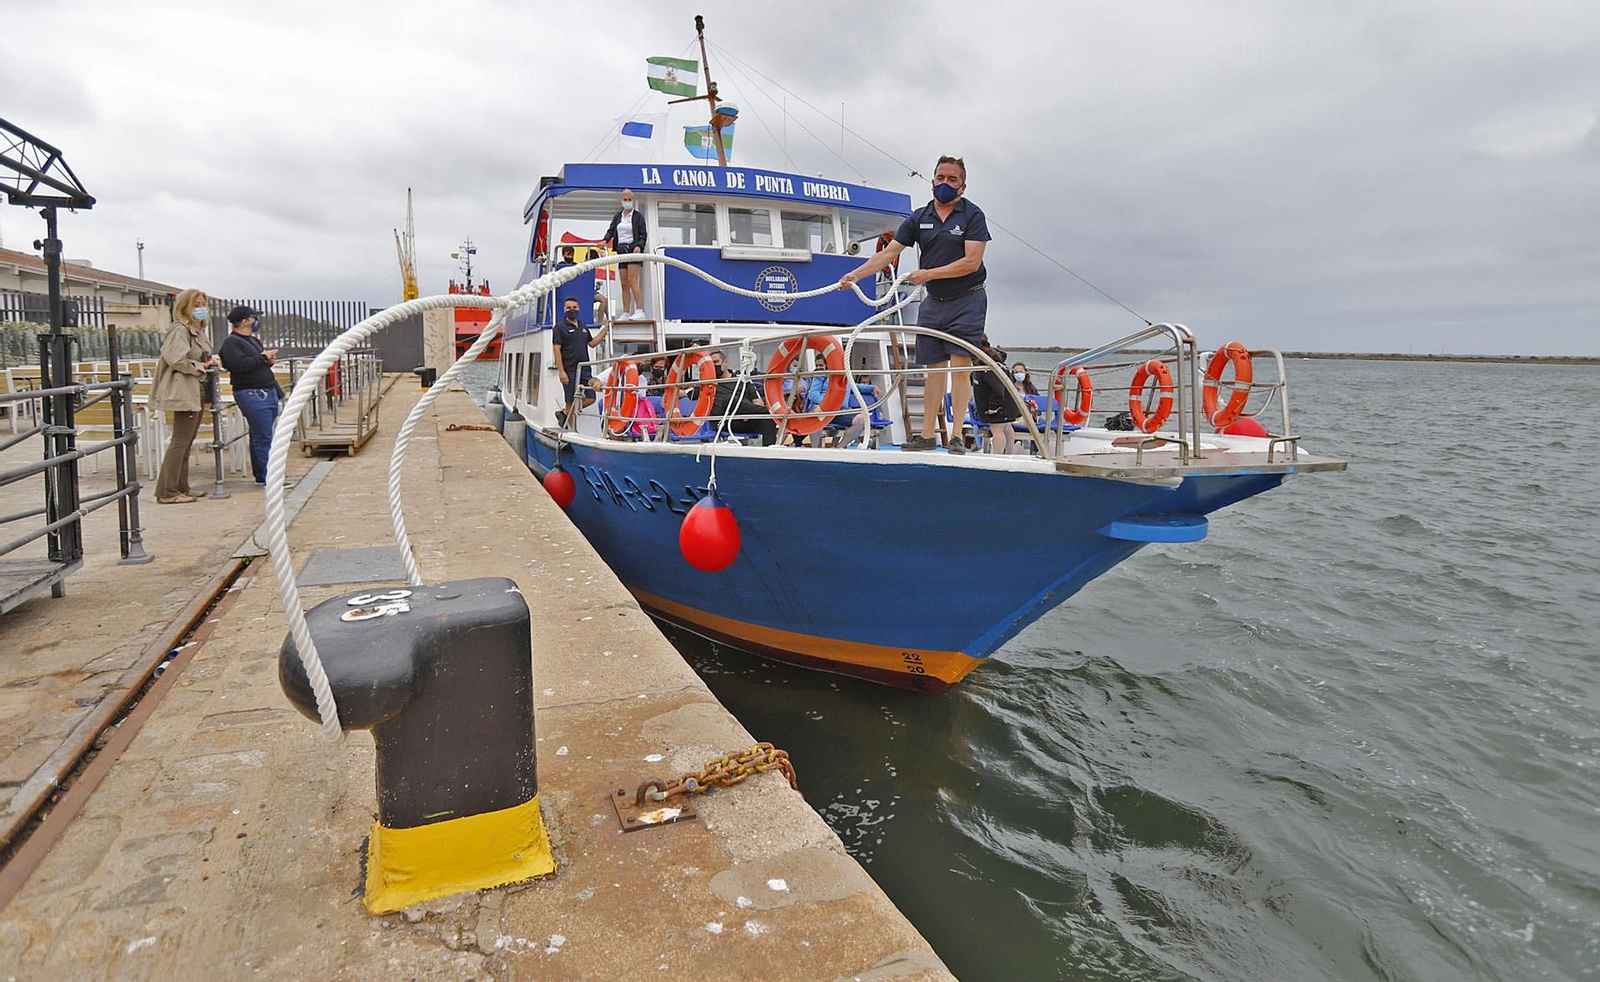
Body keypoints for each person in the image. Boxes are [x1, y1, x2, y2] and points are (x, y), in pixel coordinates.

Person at [840, 155, 990, 454]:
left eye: (952, 179)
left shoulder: (972, 216)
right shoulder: (920, 217)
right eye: (940, 178)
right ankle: (926, 435)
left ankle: (957, 434)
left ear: (962, 186)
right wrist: (856, 274)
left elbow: (971, 262)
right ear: (932, 180)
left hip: (967, 299)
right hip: (934, 301)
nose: (945, 183)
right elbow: (889, 252)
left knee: (960, 366)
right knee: (933, 368)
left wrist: (927, 274)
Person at [151, 288, 218, 503]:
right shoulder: (180, 330)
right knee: (180, 440)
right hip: (184, 390)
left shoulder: (198, 330)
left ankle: (182, 486)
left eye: (203, 304)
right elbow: (176, 359)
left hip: (196, 390)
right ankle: (167, 491)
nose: (201, 309)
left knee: (187, 440)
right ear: (185, 307)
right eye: (196, 305)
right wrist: (201, 366)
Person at [218, 305, 284, 487]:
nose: (256, 322)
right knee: (263, 437)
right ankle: (270, 477)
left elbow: (254, 363)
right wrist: (262, 358)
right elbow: (238, 365)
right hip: (252, 393)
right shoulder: (232, 342)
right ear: (245, 321)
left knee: (261, 434)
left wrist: (266, 361)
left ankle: (263, 474)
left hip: (266, 390)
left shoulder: (252, 341)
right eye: (254, 318)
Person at [555, 295, 611, 424]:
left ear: (579, 308)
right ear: (564, 310)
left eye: (574, 307)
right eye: (569, 308)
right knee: (570, 400)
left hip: (585, 369)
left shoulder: (583, 326)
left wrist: (605, 331)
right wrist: (561, 371)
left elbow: (592, 343)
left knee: (591, 398)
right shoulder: (559, 327)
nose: (572, 310)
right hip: (569, 369)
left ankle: (564, 413)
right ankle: (571, 430)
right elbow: (556, 349)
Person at [704, 349, 776, 445]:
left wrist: (748, 412)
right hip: (725, 422)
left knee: (767, 419)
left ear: (725, 363)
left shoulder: (742, 380)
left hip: (747, 419)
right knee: (729, 400)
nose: (714, 366)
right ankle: (773, 411)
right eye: (711, 363)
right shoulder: (706, 385)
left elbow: (757, 401)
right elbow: (682, 392)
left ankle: (769, 452)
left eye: (716, 362)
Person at [604, 189, 647, 320]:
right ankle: (626, 312)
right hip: (621, 249)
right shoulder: (618, 217)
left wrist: (639, 246)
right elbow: (611, 231)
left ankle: (640, 311)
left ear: (632, 201)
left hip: (633, 249)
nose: (627, 202)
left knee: (632, 280)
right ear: (622, 200)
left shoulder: (638, 216)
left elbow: (643, 234)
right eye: (625, 200)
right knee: (624, 284)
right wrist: (604, 240)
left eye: (629, 200)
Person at [972, 344, 1023, 454]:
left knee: (997, 429)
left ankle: (998, 456)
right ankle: (1009, 454)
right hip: (1009, 404)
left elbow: (998, 389)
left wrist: (993, 406)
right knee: (1007, 428)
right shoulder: (999, 365)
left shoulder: (987, 369)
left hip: (1000, 406)